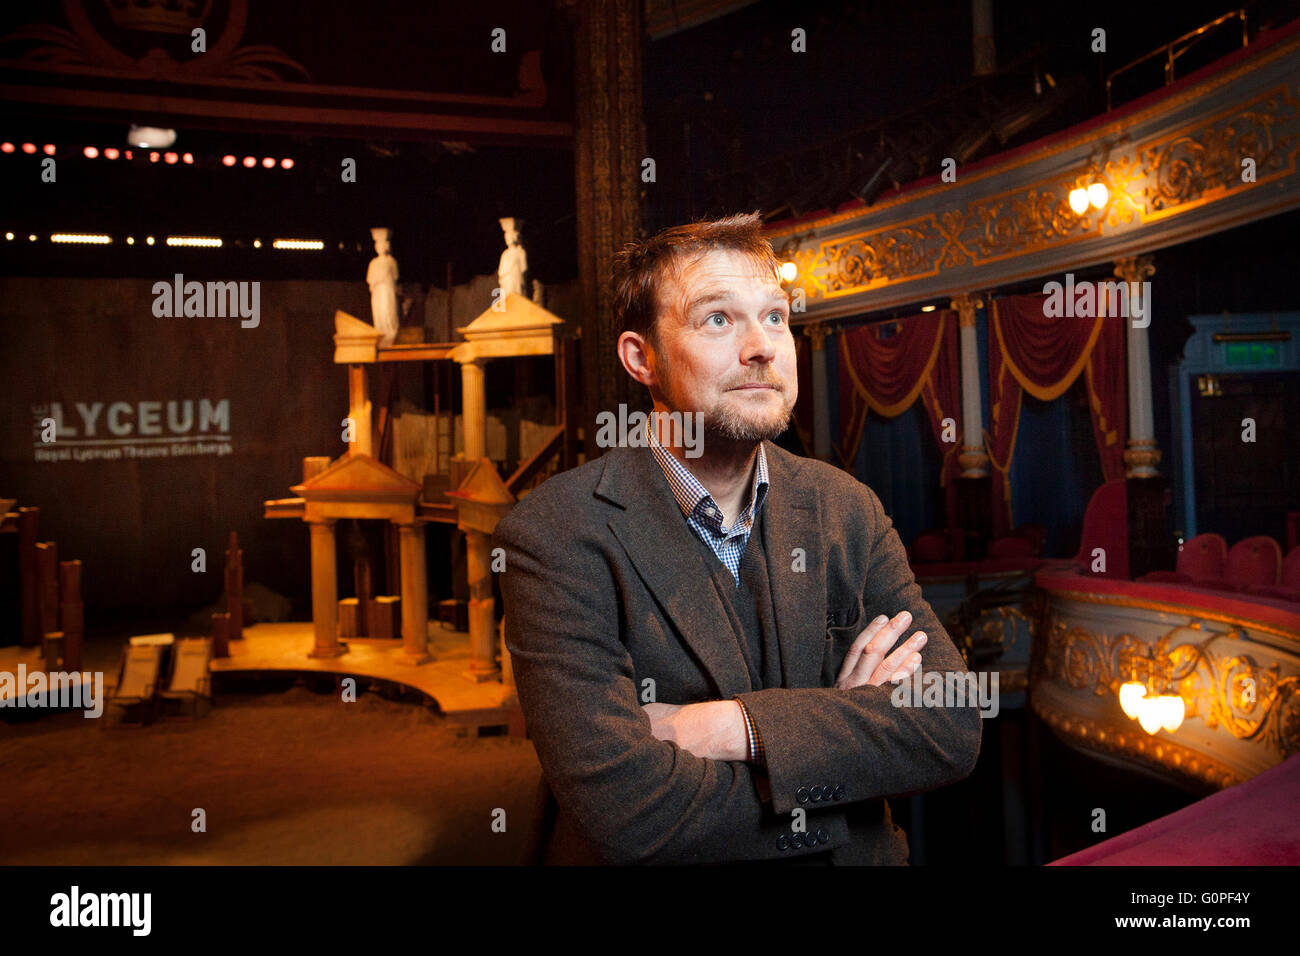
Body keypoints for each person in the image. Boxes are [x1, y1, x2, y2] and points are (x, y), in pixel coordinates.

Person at [493, 212, 981, 865]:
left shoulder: (846, 507)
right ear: (643, 359)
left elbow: (950, 725)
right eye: (718, 319)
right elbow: (627, 810)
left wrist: (730, 726)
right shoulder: (553, 533)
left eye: (776, 317)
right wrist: (840, 750)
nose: (763, 346)